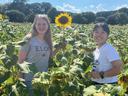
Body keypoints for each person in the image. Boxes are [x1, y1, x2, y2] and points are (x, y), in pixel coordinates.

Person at [18, 14, 66, 95]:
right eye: (38, 24)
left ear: (48, 25)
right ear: (35, 25)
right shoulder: (29, 39)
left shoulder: (48, 40)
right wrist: (20, 81)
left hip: (44, 79)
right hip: (30, 79)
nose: (41, 26)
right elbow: (20, 61)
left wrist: (59, 48)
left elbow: (49, 56)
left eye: (44, 24)